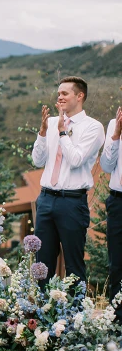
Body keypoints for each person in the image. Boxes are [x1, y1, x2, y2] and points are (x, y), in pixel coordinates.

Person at [31, 76, 105, 283]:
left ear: (79, 96)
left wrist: (63, 132)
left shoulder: (94, 127)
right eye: (58, 94)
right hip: (45, 200)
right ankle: (41, 312)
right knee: (42, 263)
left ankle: (75, 314)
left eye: (65, 93)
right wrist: (43, 133)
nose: (60, 97)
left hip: (72, 202)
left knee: (73, 264)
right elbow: (37, 161)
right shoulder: (51, 122)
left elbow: (76, 160)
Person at [101, 106, 122, 310]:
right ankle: (117, 319)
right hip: (118, 202)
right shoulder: (114, 125)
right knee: (116, 264)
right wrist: (116, 135)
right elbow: (106, 166)